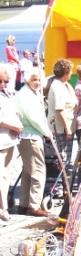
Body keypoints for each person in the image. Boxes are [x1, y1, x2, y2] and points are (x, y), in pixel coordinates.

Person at [15, 67, 52, 217]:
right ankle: (34, 205)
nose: (37, 82)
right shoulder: (25, 95)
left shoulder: (30, 94)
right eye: (34, 79)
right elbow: (34, 118)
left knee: (28, 171)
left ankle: (24, 204)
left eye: (39, 80)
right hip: (30, 136)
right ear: (28, 80)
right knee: (38, 171)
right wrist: (47, 132)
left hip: (28, 136)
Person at [47, 59, 77, 189]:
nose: (71, 73)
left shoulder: (66, 85)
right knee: (62, 158)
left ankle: (66, 185)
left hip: (69, 126)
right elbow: (60, 109)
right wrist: (67, 129)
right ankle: (59, 187)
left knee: (67, 159)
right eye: (70, 71)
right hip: (61, 128)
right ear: (66, 72)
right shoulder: (57, 86)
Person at [0, 63, 23, 221]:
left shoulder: (7, 94)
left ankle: (3, 206)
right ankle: (3, 209)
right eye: (0, 81)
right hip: (2, 139)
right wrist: (13, 126)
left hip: (10, 140)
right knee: (1, 175)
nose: (3, 84)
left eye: (5, 81)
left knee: (6, 175)